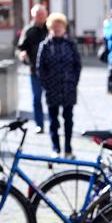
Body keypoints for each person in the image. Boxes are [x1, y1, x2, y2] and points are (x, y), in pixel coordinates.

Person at [36, 13, 82, 159]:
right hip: (52, 88)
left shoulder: (70, 44)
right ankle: (55, 148)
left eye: (60, 26)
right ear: (50, 28)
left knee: (68, 119)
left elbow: (77, 65)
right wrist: (46, 84)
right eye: (54, 26)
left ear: (64, 28)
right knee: (53, 121)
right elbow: (40, 67)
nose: (57, 29)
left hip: (68, 87)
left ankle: (68, 149)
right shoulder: (45, 45)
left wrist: (74, 81)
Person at [17, 5, 49, 134]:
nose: (40, 17)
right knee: (36, 99)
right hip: (34, 70)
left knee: (52, 99)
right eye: (38, 15)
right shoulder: (29, 30)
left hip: (50, 71)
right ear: (33, 16)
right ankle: (39, 124)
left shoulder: (51, 27)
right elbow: (20, 48)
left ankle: (54, 123)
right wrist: (22, 54)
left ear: (46, 14)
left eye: (42, 14)